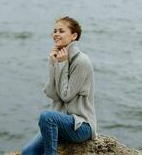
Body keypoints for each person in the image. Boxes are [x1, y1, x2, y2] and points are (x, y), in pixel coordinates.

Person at [21, 16, 97, 155]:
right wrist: (53, 64)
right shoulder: (59, 57)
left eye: (61, 31)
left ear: (74, 36)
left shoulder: (81, 61)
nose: (56, 34)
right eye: (55, 31)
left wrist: (62, 64)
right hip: (61, 122)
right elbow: (52, 93)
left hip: (81, 126)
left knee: (47, 116)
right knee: (27, 152)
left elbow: (66, 96)